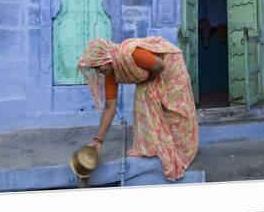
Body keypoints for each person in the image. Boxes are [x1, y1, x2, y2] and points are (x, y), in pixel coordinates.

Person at [77, 36, 199, 181]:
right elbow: (110, 106)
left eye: (99, 67)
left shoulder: (130, 54)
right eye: (95, 69)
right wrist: (98, 141)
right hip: (155, 70)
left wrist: (149, 80)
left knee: (176, 109)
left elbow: (159, 65)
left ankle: (185, 148)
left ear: (107, 59)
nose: (99, 72)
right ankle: (159, 143)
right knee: (144, 97)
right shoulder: (111, 72)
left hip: (170, 65)